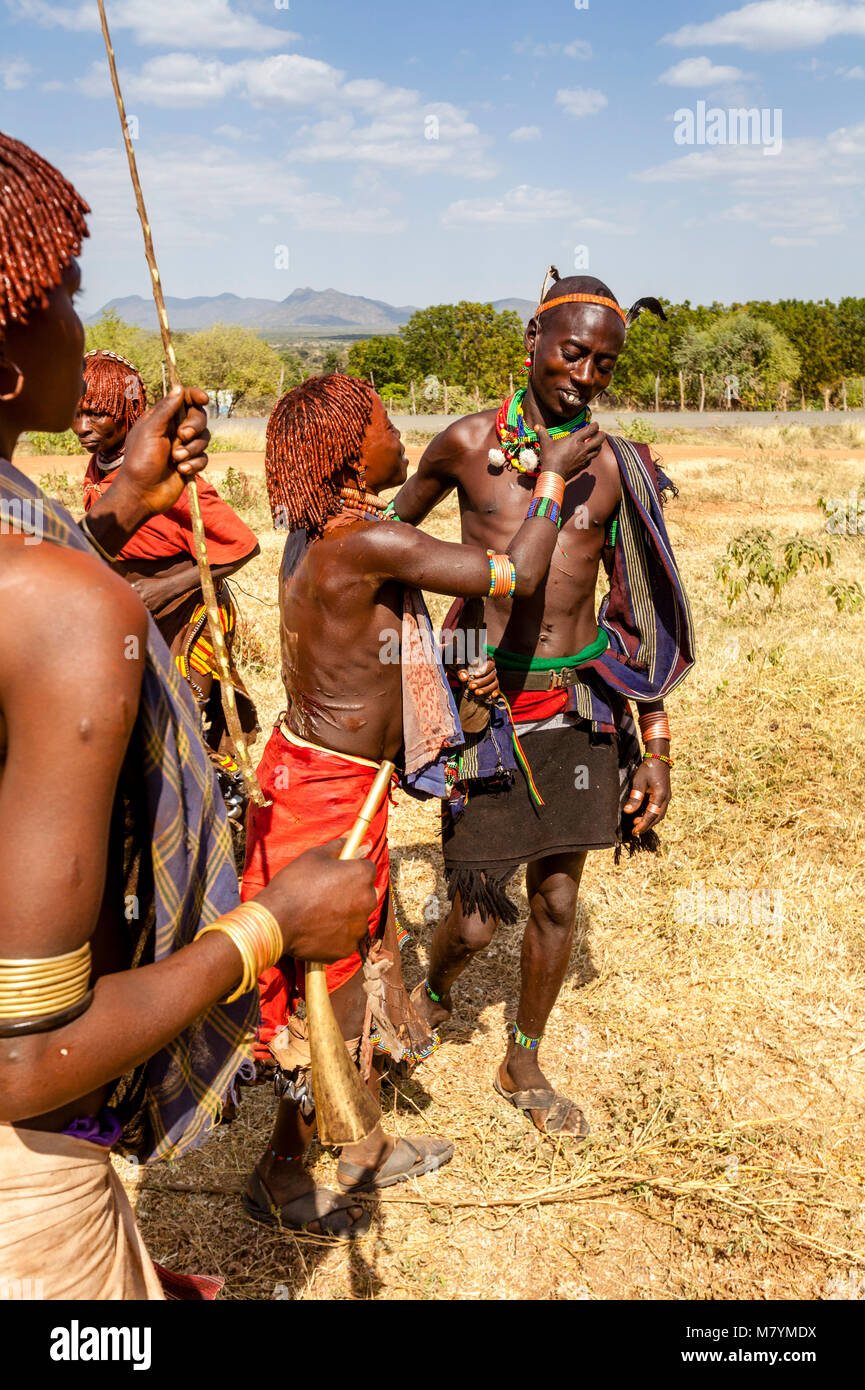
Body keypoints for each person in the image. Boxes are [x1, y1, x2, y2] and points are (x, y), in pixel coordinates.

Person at [0, 130, 376, 1296]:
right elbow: (24, 1059)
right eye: (58, 292)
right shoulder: (57, 610)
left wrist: (110, 520)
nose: (78, 316)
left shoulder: (49, 566)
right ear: (8, 365)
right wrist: (268, 926)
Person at [241, 371, 600, 1234]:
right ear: (348, 452)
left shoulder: (324, 527)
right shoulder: (365, 540)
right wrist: (550, 479)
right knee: (324, 984)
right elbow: (512, 573)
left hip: (317, 774)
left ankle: (362, 1144)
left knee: (359, 959)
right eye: (383, 424)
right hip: (328, 794)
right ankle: (281, 1173)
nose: (399, 434)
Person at [390, 270, 695, 1137]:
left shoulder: (618, 470)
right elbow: (393, 555)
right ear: (532, 340)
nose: (586, 376)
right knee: (479, 916)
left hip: (581, 709)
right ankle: (433, 993)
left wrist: (658, 748)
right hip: (488, 717)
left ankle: (522, 1057)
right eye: (572, 353)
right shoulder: (462, 445)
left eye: (605, 363)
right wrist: (453, 658)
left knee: (559, 900)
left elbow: (643, 612)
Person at [74, 349, 260, 825]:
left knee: (182, 725)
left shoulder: (170, 474)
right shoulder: (102, 465)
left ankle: (209, 819)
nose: (82, 425)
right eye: (78, 411)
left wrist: (163, 590)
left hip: (187, 615)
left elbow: (242, 544)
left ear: (129, 410)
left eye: (97, 412)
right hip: (139, 616)